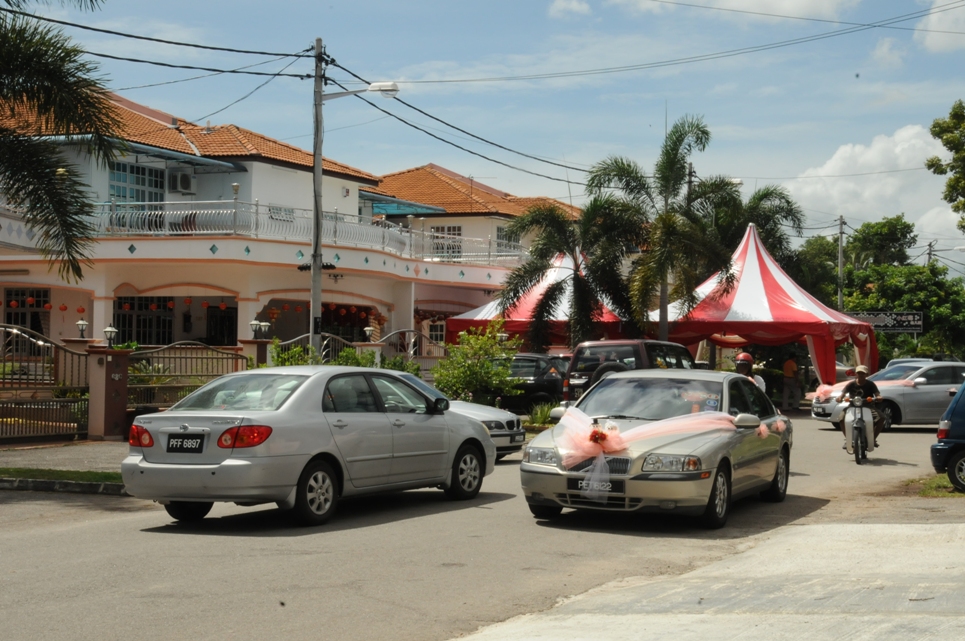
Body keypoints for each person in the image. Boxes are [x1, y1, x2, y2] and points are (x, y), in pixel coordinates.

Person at [835, 364, 883, 447]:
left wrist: (878, 397)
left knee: (882, 418)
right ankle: (848, 440)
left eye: (863, 373)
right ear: (856, 374)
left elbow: (877, 394)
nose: (861, 375)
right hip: (852, 406)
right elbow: (842, 394)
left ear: (866, 374)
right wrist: (839, 398)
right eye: (859, 373)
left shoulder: (871, 384)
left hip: (868, 406)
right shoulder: (851, 384)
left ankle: (873, 439)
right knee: (841, 418)